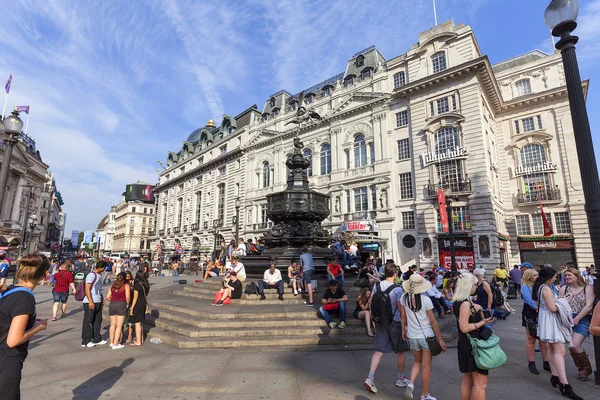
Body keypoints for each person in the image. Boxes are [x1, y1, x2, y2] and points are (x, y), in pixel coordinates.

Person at [0, 254, 50, 399]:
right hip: (7, 360)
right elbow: (13, 340)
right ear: (45, 274)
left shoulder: (9, 290)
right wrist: (38, 327)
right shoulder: (25, 297)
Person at [533, 266, 583, 400]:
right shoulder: (546, 289)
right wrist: (563, 301)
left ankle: (555, 376)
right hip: (551, 320)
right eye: (554, 275)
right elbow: (553, 308)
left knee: (551, 347)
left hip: (546, 320)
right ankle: (565, 385)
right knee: (560, 351)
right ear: (549, 277)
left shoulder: (540, 287)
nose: (556, 277)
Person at [363, 264, 410, 395]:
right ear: (395, 275)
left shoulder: (376, 286)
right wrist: (404, 327)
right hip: (394, 322)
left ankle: (370, 377)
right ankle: (400, 378)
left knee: (379, 350)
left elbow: (371, 302)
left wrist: (374, 320)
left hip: (380, 322)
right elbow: (401, 311)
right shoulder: (398, 289)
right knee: (400, 350)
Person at [400, 274, 448, 400]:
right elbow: (433, 321)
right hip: (426, 336)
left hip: (412, 335)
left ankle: (411, 383)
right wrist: (441, 339)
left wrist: (403, 330)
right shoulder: (426, 300)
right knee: (426, 366)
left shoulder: (404, 298)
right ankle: (424, 395)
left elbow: (403, 317)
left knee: (417, 361)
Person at [452, 273, 494, 400]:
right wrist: (482, 322)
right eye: (475, 284)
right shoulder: (465, 303)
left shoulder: (459, 302)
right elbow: (464, 327)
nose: (476, 286)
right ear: (469, 285)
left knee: (468, 378)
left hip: (466, 343)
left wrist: (480, 309)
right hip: (473, 344)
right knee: (481, 383)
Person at [559, 267, 595, 381]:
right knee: (571, 346)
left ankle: (586, 368)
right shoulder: (564, 288)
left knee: (575, 344)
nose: (567, 277)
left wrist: (578, 318)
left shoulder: (587, 288)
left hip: (583, 318)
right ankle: (581, 368)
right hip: (567, 318)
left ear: (577, 276)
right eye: (566, 276)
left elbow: (589, 305)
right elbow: (560, 304)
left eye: (570, 275)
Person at [521, 269, 550, 375]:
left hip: (541, 311)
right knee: (531, 338)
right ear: (528, 276)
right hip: (530, 312)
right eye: (534, 275)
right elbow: (529, 300)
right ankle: (531, 362)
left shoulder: (541, 285)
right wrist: (537, 307)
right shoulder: (525, 286)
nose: (537, 276)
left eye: (537, 274)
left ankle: (546, 361)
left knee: (543, 338)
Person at [81, 261, 108, 348]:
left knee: (97, 320)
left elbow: (99, 289)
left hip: (98, 300)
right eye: (104, 267)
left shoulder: (100, 275)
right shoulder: (91, 275)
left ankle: (97, 338)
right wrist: (90, 301)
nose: (104, 269)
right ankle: (86, 340)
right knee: (88, 321)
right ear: (101, 267)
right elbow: (87, 289)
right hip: (90, 301)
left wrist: (102, 298)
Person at [106, 272, 130, 350]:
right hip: (121, 305)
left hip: (112, 305)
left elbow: (107, 297)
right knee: (119, 326)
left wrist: (113, 300)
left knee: (112, 324)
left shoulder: (112, 286)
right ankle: (116, 344)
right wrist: (127, 304)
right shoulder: (126, 286)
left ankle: (111, 342)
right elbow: (128, 298)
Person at [128, 271, 149, 346]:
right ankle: (141, 338)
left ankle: (138, 341)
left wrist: (132, 308)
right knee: (140, 322)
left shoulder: (137, 285)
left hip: (138, 304)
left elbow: (135, 298)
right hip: (143, 303)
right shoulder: (145, 285)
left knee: (137, 323)